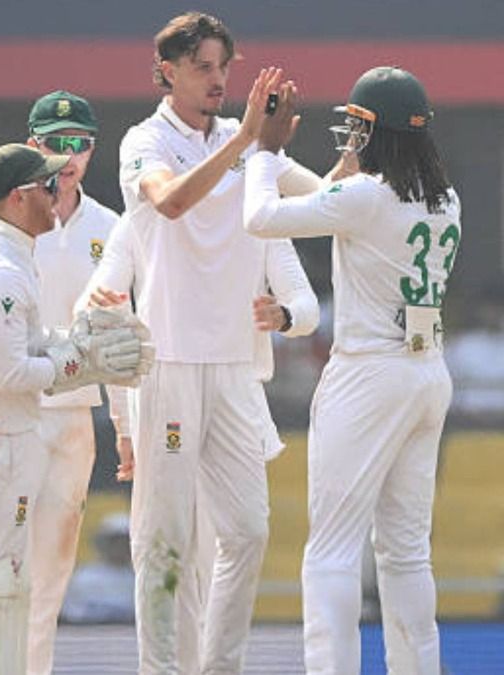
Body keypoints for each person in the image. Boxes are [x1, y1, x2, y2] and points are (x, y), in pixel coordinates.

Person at [100, 12, 349, 673]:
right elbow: (171, 201)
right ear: (168, 72)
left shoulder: (251, 150)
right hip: (169, 360)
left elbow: (329, 199)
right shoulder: (142, 141)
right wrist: (246, 139)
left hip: (236, 366)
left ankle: (218, 667)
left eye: (223, 67)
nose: (217, 79)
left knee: (246, 531)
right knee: (165, 541)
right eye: (203, 67)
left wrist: (357, 148)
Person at [244, 66, 460, 675]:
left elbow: (260, 218)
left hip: (368, 374)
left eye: (358, 128)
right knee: (406, 554)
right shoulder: (443, 196)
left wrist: (262, 148)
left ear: (376, 132)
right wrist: (282, 159)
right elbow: (340, 204)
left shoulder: (367, 197)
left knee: (332, 551)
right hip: (426, 374)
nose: (350, 138)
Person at [0, 91, 130, 675]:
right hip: (3, 420)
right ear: (32, 147)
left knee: (39, 584)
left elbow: (111, 334)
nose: (68, 159)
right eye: (55, 145)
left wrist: (124, 424)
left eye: (80, 144)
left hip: (65, 419)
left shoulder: (108, 228)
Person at [60, 513, 136, 624]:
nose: (121, 547)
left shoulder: (138, 579)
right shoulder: (83, 578)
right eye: (116, 542)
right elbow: (71, 614)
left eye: (126, 542)